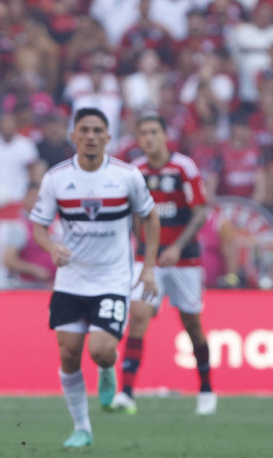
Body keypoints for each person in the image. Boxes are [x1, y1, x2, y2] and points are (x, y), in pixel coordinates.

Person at [30, 107, 160, 448]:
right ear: (73, 136)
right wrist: (51, 247)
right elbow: (39, 227)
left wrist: (147, 267)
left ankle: (107, 369)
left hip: (113, 277)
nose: (90, 136)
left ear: (108, 137)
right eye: (84, 130)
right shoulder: (56, 178)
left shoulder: (127, 175)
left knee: (101, 351)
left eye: (97, 130)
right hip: (71, 279)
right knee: (69, 355)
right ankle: (82, 428)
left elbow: (150, 217)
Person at [111, 113, 216, 416]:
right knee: (139, 315)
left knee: (192, 325)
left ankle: (206, 388)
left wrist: (178, 246)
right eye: (143, 132)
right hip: (149, 260)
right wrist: (143, 248)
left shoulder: (184, 167)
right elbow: (133, 216)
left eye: (154, 131)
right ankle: (127, 392)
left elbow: (199, 212)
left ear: (165, 134)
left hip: (185, 260)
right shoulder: (136, 171)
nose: (148, 137)